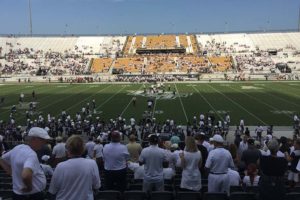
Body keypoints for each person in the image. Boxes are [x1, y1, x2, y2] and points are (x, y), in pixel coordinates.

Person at [0, 127, 51, 200]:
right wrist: (29, 188)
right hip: (31, 195)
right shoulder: (31, 154)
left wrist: (11, 172)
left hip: (18, 194)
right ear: (34, 139)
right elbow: (26, 175)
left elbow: (1, 159)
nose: (45, 143)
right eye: (43, 140)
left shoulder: (18, 147)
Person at [49, 135, 101, 200]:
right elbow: (97, 186)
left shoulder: (60, 166)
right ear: (83, 148)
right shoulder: (92, 163)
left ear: (68, 149)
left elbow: (53, 190)